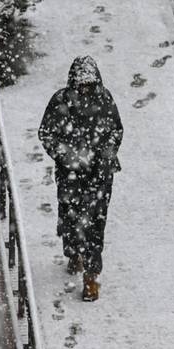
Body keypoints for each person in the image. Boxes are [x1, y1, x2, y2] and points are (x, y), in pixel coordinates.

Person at [37, 56, 123, 301]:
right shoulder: (60, 101)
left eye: (89, 83)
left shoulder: (104, 99)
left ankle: (91, 277)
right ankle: (73, 252)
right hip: (70, 174)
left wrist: (104, 157)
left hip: (100, 175)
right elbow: (47, 133)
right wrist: (68, 157)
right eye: (80, 84)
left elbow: (116, 130)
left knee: (96, 225)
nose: (84, 88)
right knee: (70, 216)